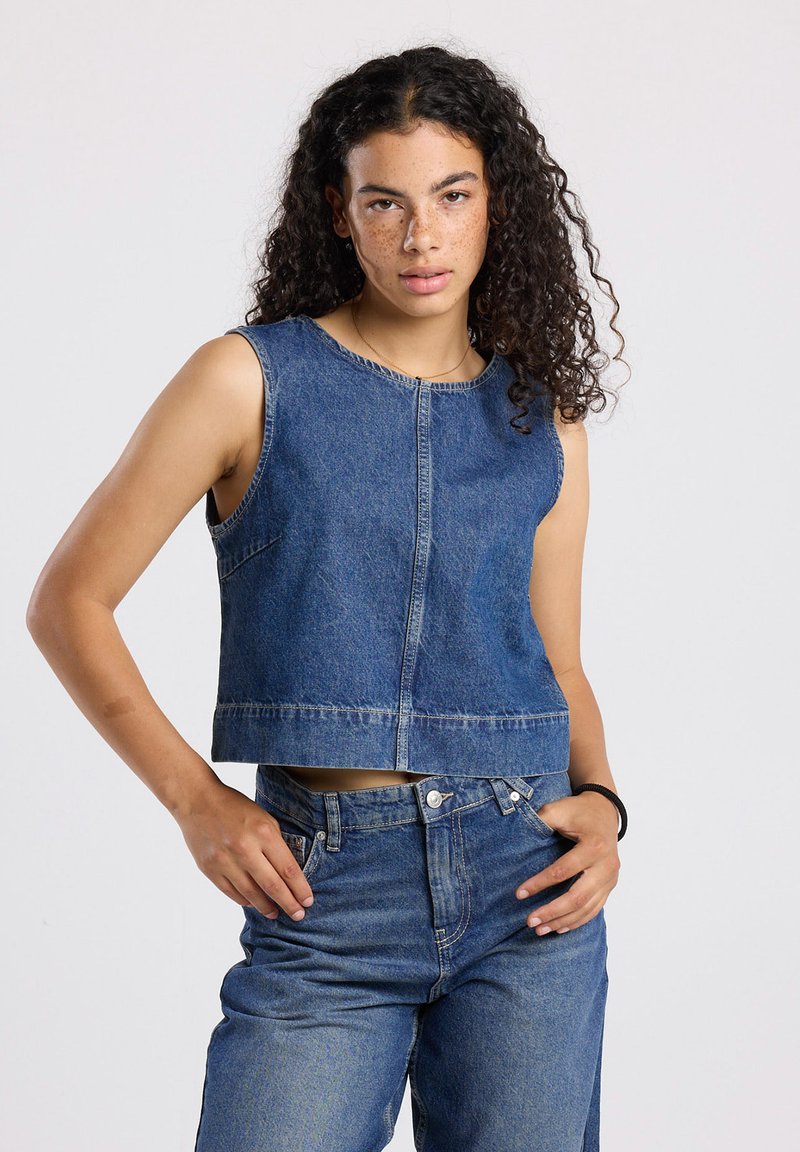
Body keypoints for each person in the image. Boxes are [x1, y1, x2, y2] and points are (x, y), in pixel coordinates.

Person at [27, 43, 629, 1152]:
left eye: (451, 197)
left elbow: (558, 655)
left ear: (497, 202)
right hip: (326, 893)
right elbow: (69, 602)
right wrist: (197, 805)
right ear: (337, 212)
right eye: (384, 202)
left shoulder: (540, 416)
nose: (421, 236)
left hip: (526, 890)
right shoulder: (246, 379)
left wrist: (604, 806)